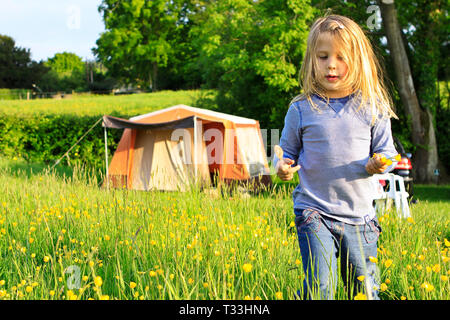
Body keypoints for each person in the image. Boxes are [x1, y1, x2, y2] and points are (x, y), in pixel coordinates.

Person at [274, 14, 399, 300]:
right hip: (314, 211)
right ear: (311, 60)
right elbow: (285, 154)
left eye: (341, 57)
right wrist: (282, 167)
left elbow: (388, 154)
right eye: (323, 56)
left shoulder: (373, 107)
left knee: (366, 292)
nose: (331, 64)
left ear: (358, 61)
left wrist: (378, 162)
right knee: (320, 287)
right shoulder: (301, 109)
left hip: (360, 219)